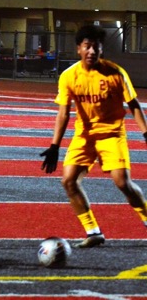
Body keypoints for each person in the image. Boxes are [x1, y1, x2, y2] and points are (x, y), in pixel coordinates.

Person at [40, 25, 147, 248]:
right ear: (79, 49)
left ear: (101, 50)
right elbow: (63, 113)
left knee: (123, 183)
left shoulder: (115, 73)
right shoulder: (69, 76)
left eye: (96, 47)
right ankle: (93, 231)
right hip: (85, 135)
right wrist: (54, 146)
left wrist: (146, 133)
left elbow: (134, 105)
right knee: (69, 181)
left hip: (111, 133)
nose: (91, 51)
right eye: (87, 47)